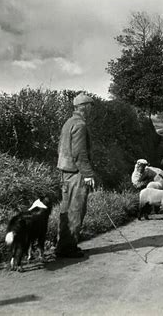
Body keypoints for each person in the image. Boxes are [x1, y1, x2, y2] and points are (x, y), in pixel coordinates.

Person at [55, 93, 95, 258]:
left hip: (66, 171)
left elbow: (61, 148)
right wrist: (87, 174)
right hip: (76, 173)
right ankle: (68, 248)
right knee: (76, 210)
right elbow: (79, 153)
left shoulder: (68, 122)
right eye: (91, 106)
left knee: (66, 209)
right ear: (84, 107)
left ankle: (62, 245)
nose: (92, 109)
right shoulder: (80, 124)